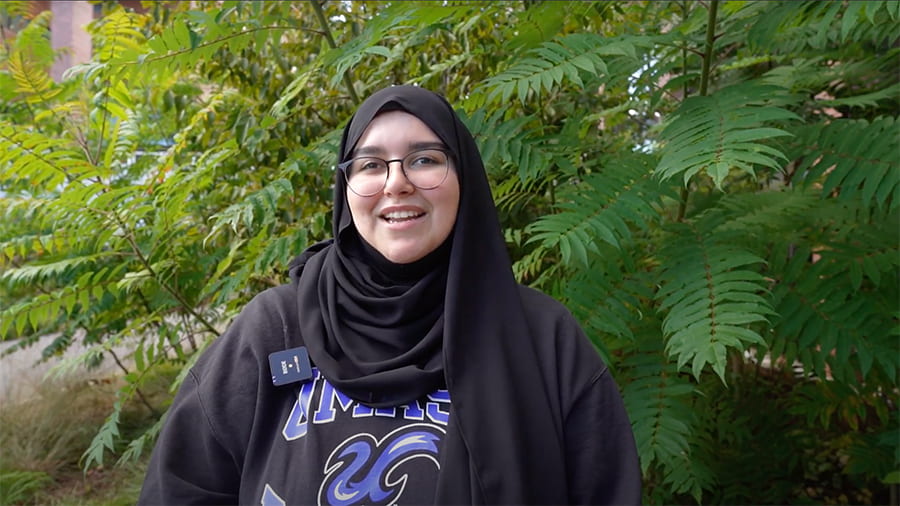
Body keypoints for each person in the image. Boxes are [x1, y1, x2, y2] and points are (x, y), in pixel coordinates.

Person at [138, 85, 641, 505]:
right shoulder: (274, 330)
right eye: (371, 165)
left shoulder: (543, 338)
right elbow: (180, 488)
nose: (396, 183)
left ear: (464, 178)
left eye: (424, 159)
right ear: (346, 188)